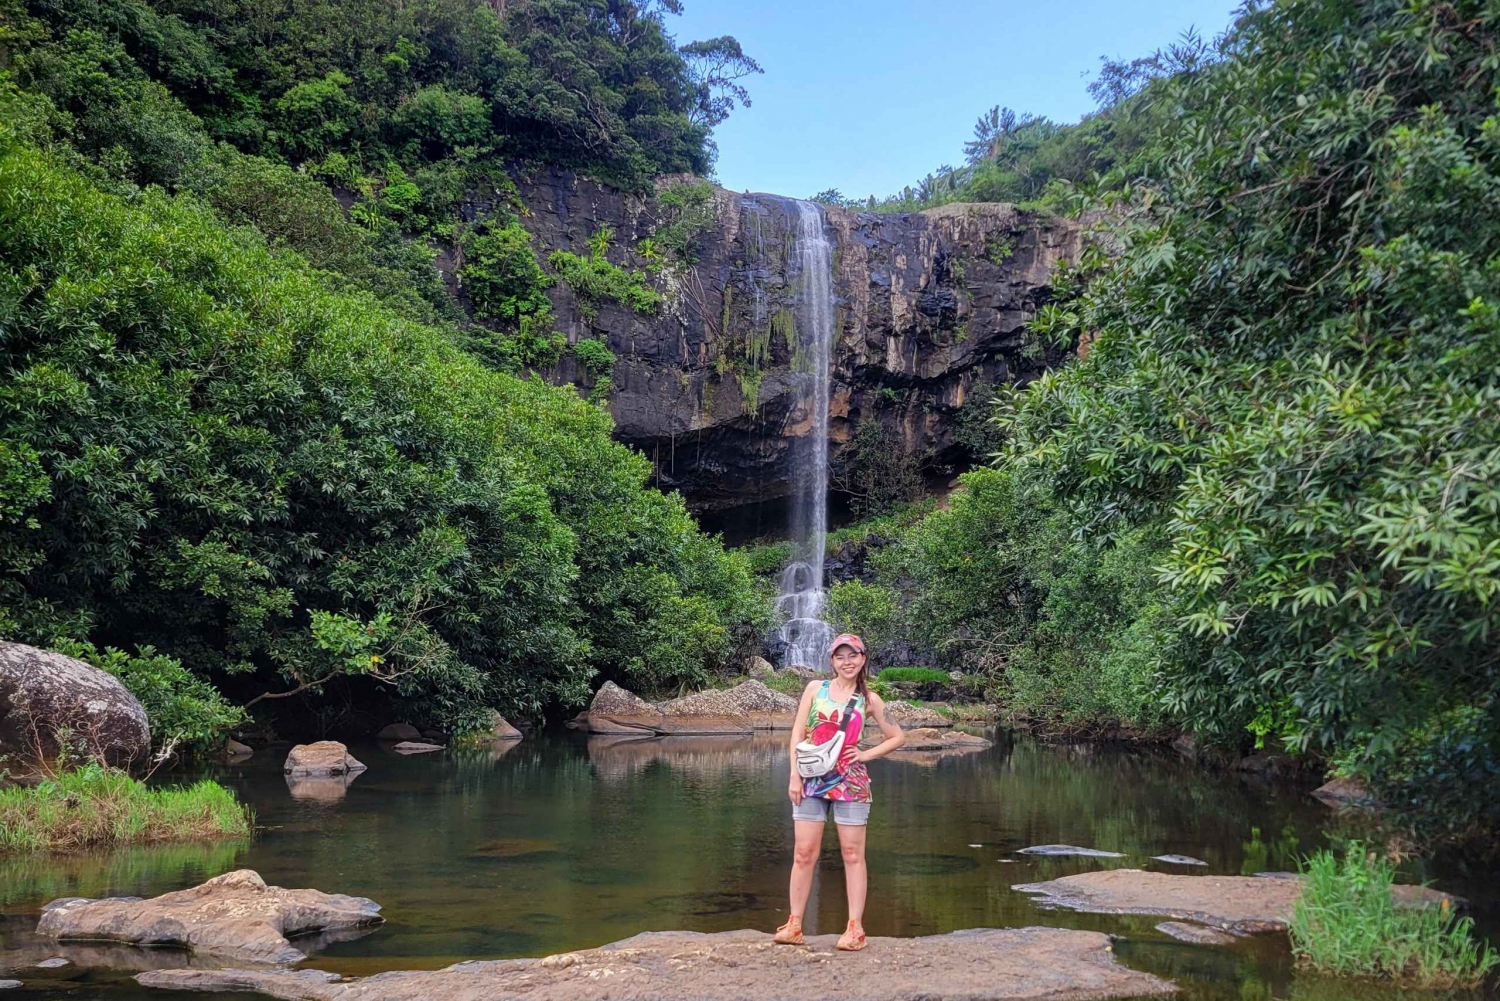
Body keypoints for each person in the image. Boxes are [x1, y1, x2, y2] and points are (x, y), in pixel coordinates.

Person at [773, 633, 904, 951]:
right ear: (832, 661)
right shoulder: (815, 689)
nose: (847, 662)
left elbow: (897, 736)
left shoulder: (871, 700)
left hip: (852, 782)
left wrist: (864, 754)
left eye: (853, 655)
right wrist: (794, 775)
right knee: (803, 853)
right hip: (811, 780)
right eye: (840, 657)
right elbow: (796, 733)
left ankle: (856, 928)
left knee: (852, 854)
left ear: (863, 659)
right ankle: (794, 924)